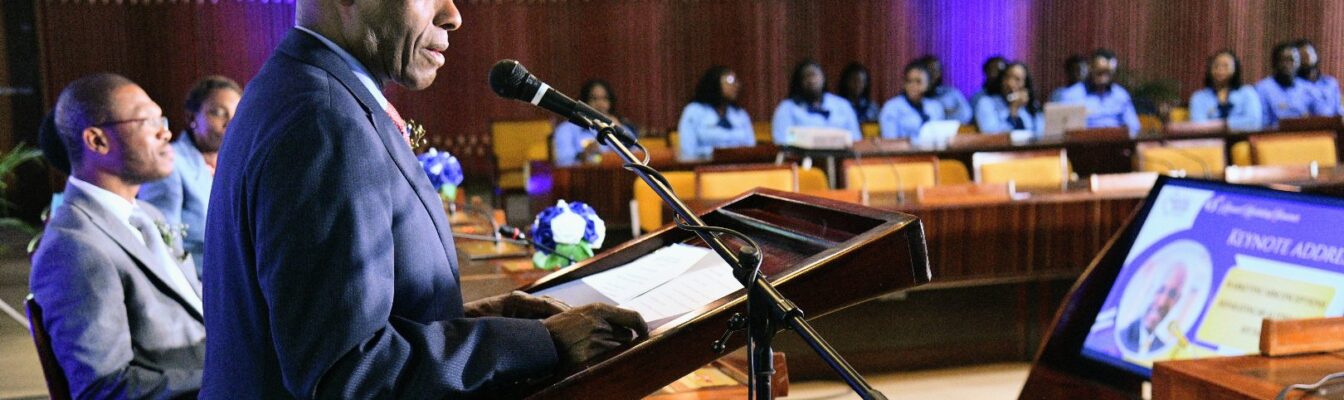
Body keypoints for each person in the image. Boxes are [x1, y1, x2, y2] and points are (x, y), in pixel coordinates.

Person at [203, 1, 648, 398]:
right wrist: (541, 344)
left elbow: (331, 326)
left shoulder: (296, 86)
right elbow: (349, 374)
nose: (453, 15)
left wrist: (487, 318)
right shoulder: (324, 118)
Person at [30, 73, 205, 399]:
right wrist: (227, 378)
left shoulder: (148, 215)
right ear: (97, 141)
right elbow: (104, 388)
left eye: (162, 119)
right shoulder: (74, 247)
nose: (165, 132)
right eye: (147, 121)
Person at [138, 75, 242, 276]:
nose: (230, 122)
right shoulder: (170, 163)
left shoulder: (238, 163)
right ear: (192, 118)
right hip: (198, 284)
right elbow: (164, 244)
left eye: (236, 114)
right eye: (218, 113)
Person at [1054, 49, 1141, 136]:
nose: (1104, 77)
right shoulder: (1071, 95)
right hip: (1084, 141)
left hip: (1115, 141)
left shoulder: (1121, 95)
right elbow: (1060, 131)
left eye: (1108, 73)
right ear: (1090, 68)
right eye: (1100, 72)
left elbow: (1134, 127)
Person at [770, 59, 861, 144]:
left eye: (815, 75)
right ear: (799, 82)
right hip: (802, 155)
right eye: (806, 76)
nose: (812, 80)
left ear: (823, 78)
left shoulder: (843, 105)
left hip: (842, 155)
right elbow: (782, 141)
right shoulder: (787, 108)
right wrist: (806, 139)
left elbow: (856, 139)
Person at [676, 66, 754, 162]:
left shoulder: (740, 114)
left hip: (739, 165)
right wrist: (717, 154)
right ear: (714, 83)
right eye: (730, 81)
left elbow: (751, 147)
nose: (736, 85)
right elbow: (688, 150)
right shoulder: (694, 111)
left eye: (736, 81)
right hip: (705, 165)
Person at [553, 79, 637, 167]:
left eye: (605, 99)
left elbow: (639, 156)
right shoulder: (566, 129)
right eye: (594, 99)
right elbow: (563, 162)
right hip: (582, 174)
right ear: (584, 102)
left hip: (617, 173)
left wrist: (619, 132)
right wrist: (583, 155)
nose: (600, 104)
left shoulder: (619, 127)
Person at [1257, 41, 1329, 126]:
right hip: (1275, 133)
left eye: (1292, 60)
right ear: (1275, 63)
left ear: (1299, 63)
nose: (1288, 64)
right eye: (1283, 60)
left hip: (1304, 132)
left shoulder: (1308, 88)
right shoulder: (1263, 89)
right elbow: (1262, 124)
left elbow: (1323, 115)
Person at [1120, 263, 1187, 355]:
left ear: (1177, 300)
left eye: (1172, 294)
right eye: (1161, 290)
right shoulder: (1123, 336)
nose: (1162, 302)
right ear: (1151, 288)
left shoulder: (1161, 348)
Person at [1188, 50, 1263, 132]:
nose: (1220, 69)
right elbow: (1199, 126)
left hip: (1242, 138)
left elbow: (1254, 122)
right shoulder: (1199, 97)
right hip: (1210, 139)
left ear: (1235, 69)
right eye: (1216, 66)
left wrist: (1222, 125)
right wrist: (1234, 124)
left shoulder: (1247, 92)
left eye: (1225, 66)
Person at [879, 62, 946, 139]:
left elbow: (942, 135)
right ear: (904, 84)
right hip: (902, 146)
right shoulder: (892, 107)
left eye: (918, 81)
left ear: (928, 84)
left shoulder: (936, 107)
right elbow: (890, 139)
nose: (913, 85)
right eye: (909, 81)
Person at [975, 62, 1043, 135]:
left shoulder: (1031, 105)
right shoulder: (986, 103)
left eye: (1017, 79)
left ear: (1025, 84)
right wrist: (1013, 111)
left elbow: (1040, 133)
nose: (1010, 83)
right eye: (1007, 77)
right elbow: (991, 134)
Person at [915, 55, 972, 123]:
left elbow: (966, 115)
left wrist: (940, 112)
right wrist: (946, 111)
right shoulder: (914, 97)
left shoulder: (952, 93)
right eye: (928, 70)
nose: (932, 74)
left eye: (936, 71)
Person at [1296, 39, 1343, 116]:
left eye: (1310, 54)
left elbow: (1338, 109)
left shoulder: (1330, 82)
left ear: (1316, 56)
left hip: (1333, 122)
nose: (1308, 59)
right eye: (1303, 57)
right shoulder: (1295, 85)